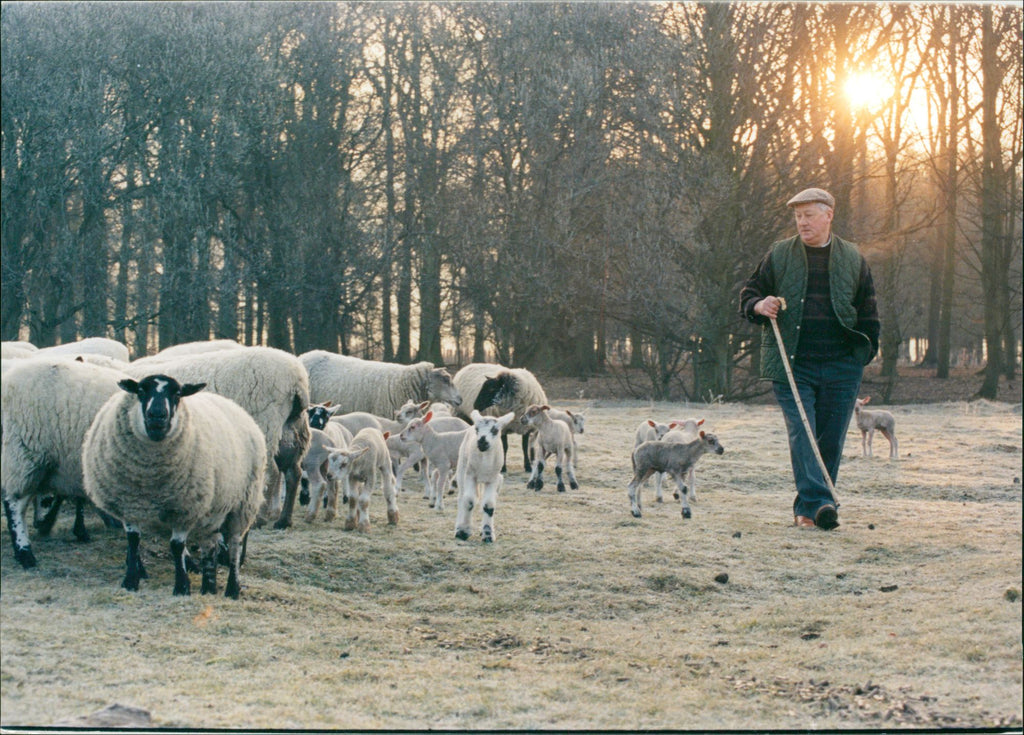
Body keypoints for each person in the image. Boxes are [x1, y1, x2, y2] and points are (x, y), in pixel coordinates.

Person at [739, 187, 879, 530]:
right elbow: (749, 293)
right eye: (798, 216)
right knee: (802, 432)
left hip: (842, 365)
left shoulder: (853, 257)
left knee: (831, 439)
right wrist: (759, 305)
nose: (802, 222)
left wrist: (863, 353)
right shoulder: (779, 254)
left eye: (809, 215)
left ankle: (810, 511)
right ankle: (820, 505)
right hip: (792, 364)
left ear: (828, 215)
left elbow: (869, 311)